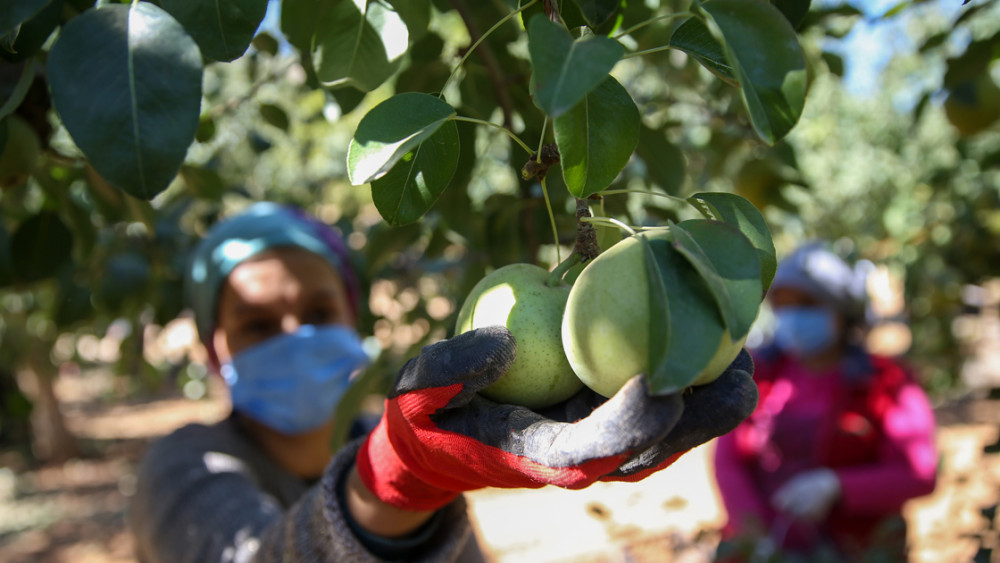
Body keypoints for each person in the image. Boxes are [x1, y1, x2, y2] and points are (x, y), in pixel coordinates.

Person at [128, 201, 760, 562]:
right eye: (258, 324)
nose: (295, 335)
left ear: (353, 316)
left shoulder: (386, 432)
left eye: (319, 313)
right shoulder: (185, 466)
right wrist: (394, 480)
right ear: (215, 348)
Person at [713, 242, 939, 562]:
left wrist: (837, 486)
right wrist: (756, 535)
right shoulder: (758, 377)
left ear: (840, 313)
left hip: (857, 549)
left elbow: (919, 473)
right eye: (784, 305)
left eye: (807, 304)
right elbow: (729, 462)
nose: (793, 316)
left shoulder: (886, 381)